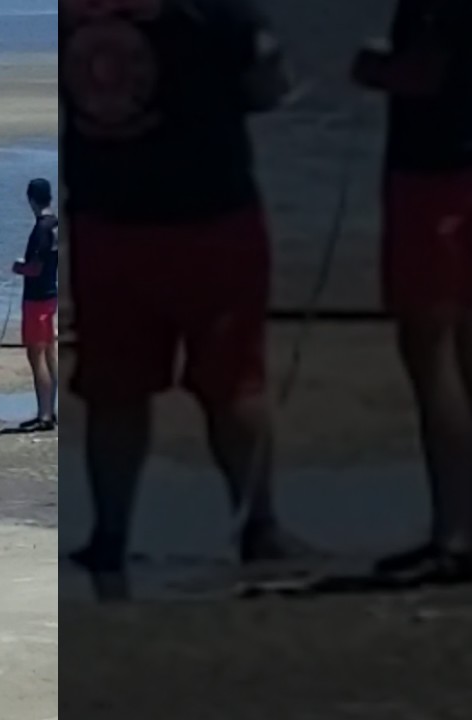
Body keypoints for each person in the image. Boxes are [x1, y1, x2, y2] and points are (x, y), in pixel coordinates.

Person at [60, 0, 308, 577]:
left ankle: (110, 535)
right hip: (207, 214)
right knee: (232, 385)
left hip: (110, 213)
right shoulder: (219, 10)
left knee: (115, 392)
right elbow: (268, 88)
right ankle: (258, 527)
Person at [351, 0, 472, 582]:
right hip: (464, 160)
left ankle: (454, 534)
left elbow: (423, 75)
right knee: (467, 339)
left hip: (431, 174)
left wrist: (371, 70)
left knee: (430, 348)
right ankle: (467, 521)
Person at [12, 178, 59, 432]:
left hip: (38, 298)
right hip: (51, 294)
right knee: (50, 353)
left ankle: (45, 414)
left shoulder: (42, 228)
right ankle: (50, 409)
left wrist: (19, 268)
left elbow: (35, 267)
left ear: (31, 199)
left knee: (37, 355)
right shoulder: (56, 224)